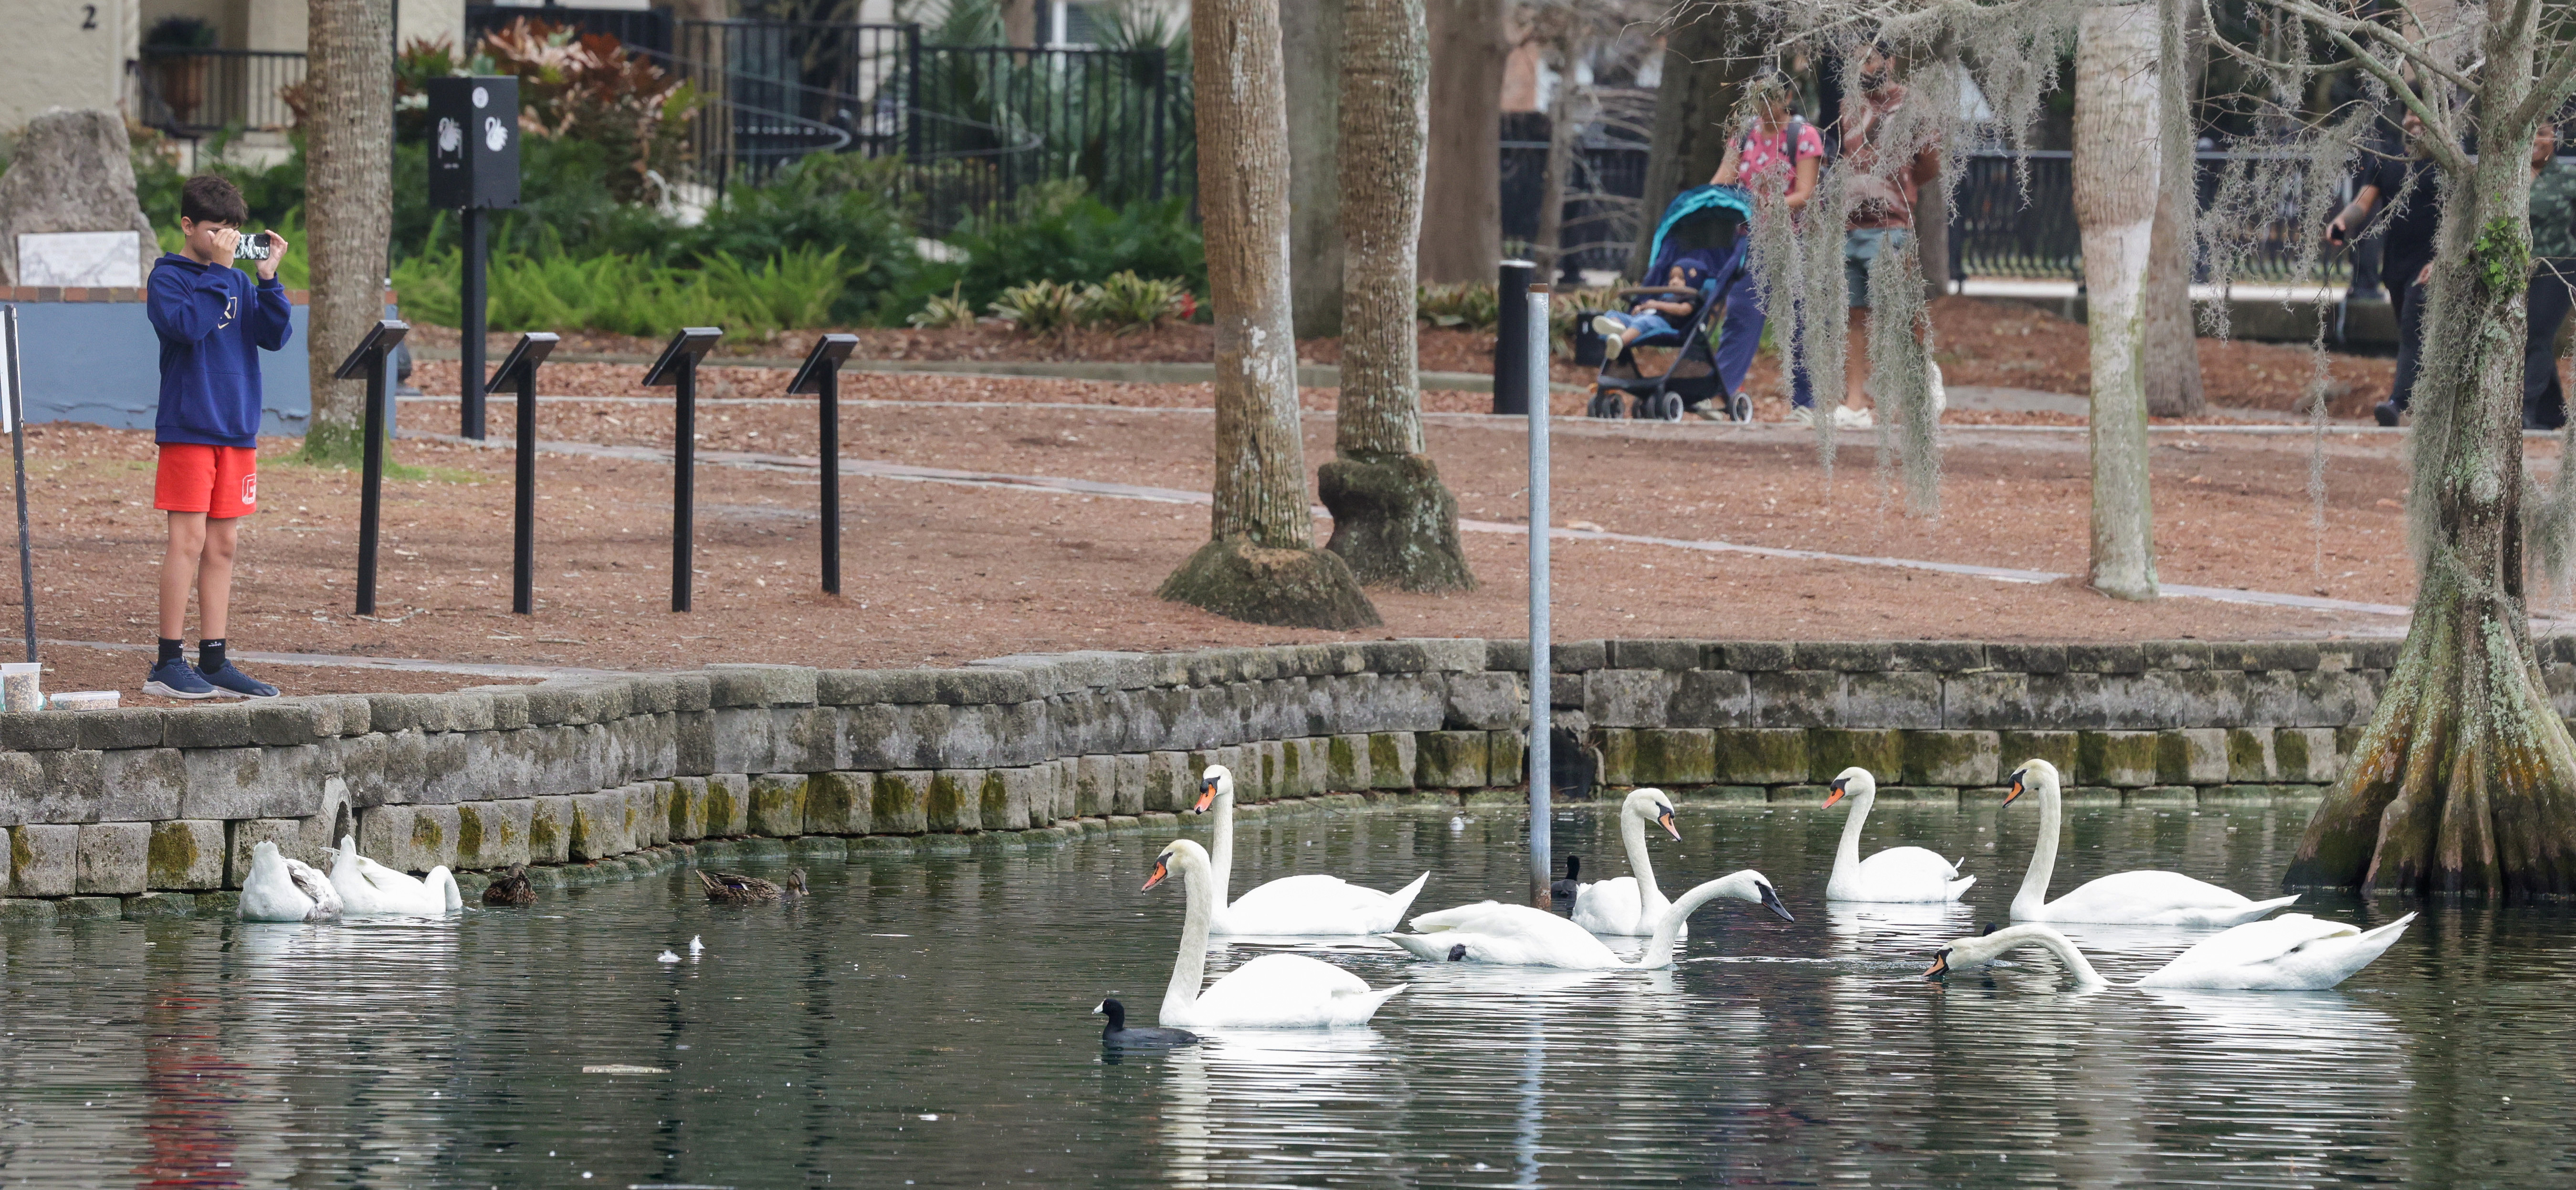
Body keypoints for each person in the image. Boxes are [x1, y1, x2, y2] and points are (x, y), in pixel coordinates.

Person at [143, 175, 292, 699]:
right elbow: (189, 327)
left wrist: (268, 280)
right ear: (188, 226)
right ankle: (166, 661)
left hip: (237, 429)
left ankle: (214, 659)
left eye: (233, 232)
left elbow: (273, 336)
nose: (225, 241)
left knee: (223, 545)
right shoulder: (168, 279)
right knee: (188, 541)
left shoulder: (239, 280)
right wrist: (221, 271)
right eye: (215, 231)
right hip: (189, 426)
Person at [1705, 72, 1837, 424]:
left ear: (1785, 100)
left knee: (1799, 319)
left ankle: (1806, 404)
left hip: (1795, 241)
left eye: (1770, 97)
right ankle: (1721, 394)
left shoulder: (1802, 136)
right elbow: (1724, 176)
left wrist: (1770, 206)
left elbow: (1805, 192)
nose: (1763, 105)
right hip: (1752, 241)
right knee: (1741, 313)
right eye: (1757, 97)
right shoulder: (1745, 135)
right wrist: (1705, 199)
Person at [1834, 42, 1944, 415]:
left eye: (1869, 58)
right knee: (1853, 313)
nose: (1862, 67)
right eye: (1856, 60)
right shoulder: (1848, 106)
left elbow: (1929, 165)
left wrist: (1899, 190)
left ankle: (1919, 385)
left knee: (1900, 310)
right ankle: (1855, 401)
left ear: (1889, 61)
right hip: (1849, 224)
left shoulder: (1912, 104)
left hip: (1891, 225)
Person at [2326, 110, 2438, 426]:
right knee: (2415, 332)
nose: (2416, 118)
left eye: (2423, 110)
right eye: (2410, 111)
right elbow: (2362, 204)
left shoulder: (2447, 162)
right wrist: (2340, 223)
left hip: (2432, 264)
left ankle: (2397, 403)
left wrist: (2441, 259)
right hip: (2395, 265)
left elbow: (2461, 217)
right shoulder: (2386, 158)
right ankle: (2430, 399)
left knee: (2412, 327)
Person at [2525, 121, 2576, 429]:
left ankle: (2524, 407)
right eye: (2530, 131)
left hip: (2559, 267)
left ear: (2554, 137)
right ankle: (2552, 412)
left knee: (2537, 333)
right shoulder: (2506, 177)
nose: (2535, 139)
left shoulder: (2568, 178)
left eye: (2542, 132)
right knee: (2526, 335)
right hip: (2517, 268)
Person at [1590, 251, 1725, 356]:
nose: (1674, 281)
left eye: (1681, 278)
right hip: (1646, 318)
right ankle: (1618, 328)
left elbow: (1683, 310)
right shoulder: (1668, 296)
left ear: (1692, 281)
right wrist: (1641, 308)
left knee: (1645, 322)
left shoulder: (1692, 297)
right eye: (1672, 277)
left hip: (1666, 325)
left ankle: (1620, 341)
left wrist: (1656, 305)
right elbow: (1652, 308)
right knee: (1612, 313)